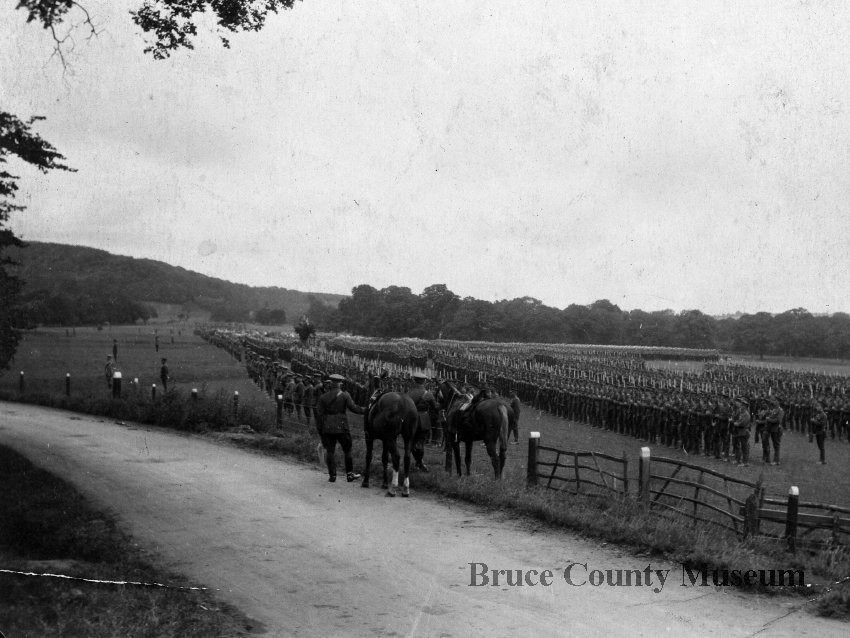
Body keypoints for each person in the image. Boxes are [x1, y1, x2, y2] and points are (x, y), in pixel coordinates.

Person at [316, 374, 364, 482]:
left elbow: (319, 416)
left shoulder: (323, 397)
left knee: (330, 451)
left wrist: (321, 432)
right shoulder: (345, 395)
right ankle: (349, 474)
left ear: (330, 383)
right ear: (340, 384)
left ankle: (332, 475)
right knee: (347, 450)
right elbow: (354, 408)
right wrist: (366, 410)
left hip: (327, 427)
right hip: (342, 426)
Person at [407, 373, 438, 471]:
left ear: (414, 380)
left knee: (411, 441)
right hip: (423, 421)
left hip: (410, 420)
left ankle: (416, 463)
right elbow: (435, 407)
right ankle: (419, 463)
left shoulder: (409, 393)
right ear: (424, 381)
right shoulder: (428, 394)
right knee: (420, 443)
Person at [763, 396, 784, 465]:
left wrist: (769, 419)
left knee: (776, 445)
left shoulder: (780, 410)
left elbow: (778, 420)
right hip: (772, 429)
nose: (774, 402)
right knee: (775, 445)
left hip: (777, 429)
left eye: (775, 401)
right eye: (774, 400)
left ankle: (776, 460)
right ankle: (776, 460)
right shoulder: (774, 409)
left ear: (778, 402)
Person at [731, 396, 751, 467]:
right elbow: (738, 421)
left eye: (742, 405)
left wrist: (736, 423)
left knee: (744, 447)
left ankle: (745, 462)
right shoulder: (742, 413)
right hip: (740, 431)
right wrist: (736, 423)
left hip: (744, 431)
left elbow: (742, 423)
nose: (741, 406)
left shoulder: (746, 414)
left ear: (745, 406)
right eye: (741, 405)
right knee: (740, 446)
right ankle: (739, 460)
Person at [809, 398, 828, 464]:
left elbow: (821, 424)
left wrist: (814, 421)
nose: (817, 407)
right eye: (817, 406)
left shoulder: (824, 415)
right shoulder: (818, 414)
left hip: (821, 432)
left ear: (821, 407)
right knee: (819, 446)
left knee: (821, 447)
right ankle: (821, 459)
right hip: (817, 432)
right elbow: (816, 422)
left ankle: (822, 460)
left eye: (818, 406)